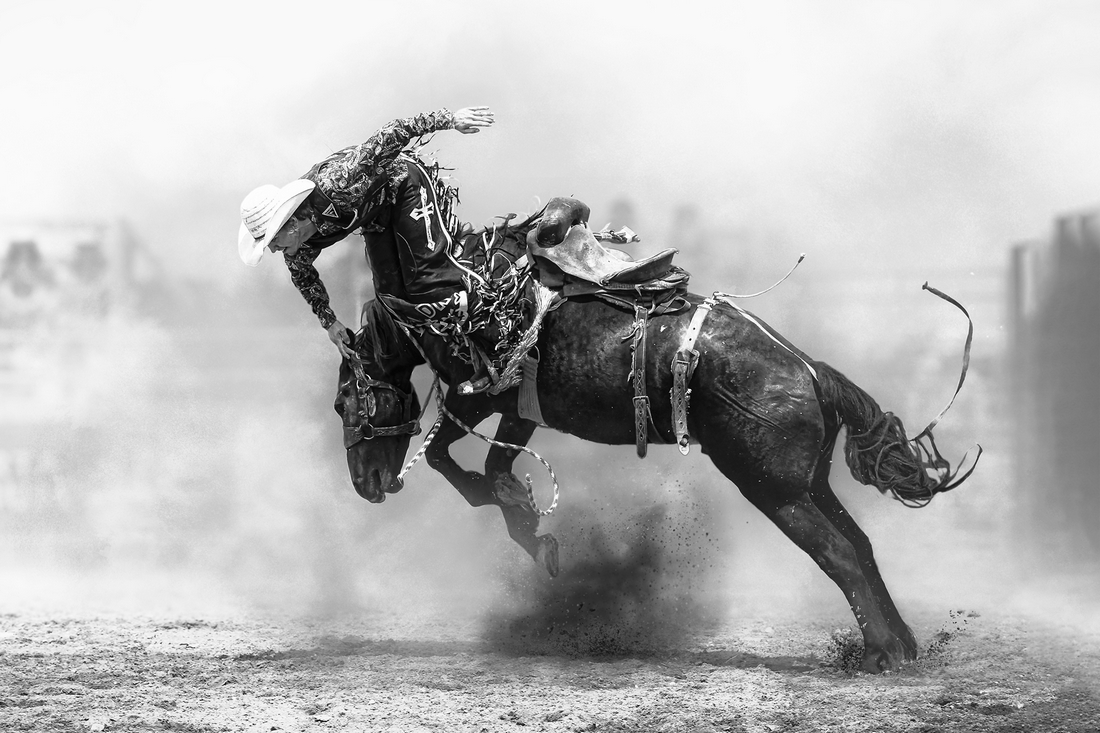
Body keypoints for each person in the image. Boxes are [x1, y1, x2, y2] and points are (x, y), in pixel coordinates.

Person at [237, 106, 496, 385]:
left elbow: (390, 134)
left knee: (424, 279)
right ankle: (460, 352)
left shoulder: (335, 183)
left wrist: (449, 119)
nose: (274, 250)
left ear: (291, 224)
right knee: (390, 297)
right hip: (375, 215)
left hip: (403, 183)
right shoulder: (296, 249)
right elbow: (304, 279)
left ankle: (496, 333)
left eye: (273, 240)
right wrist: (330, 323)